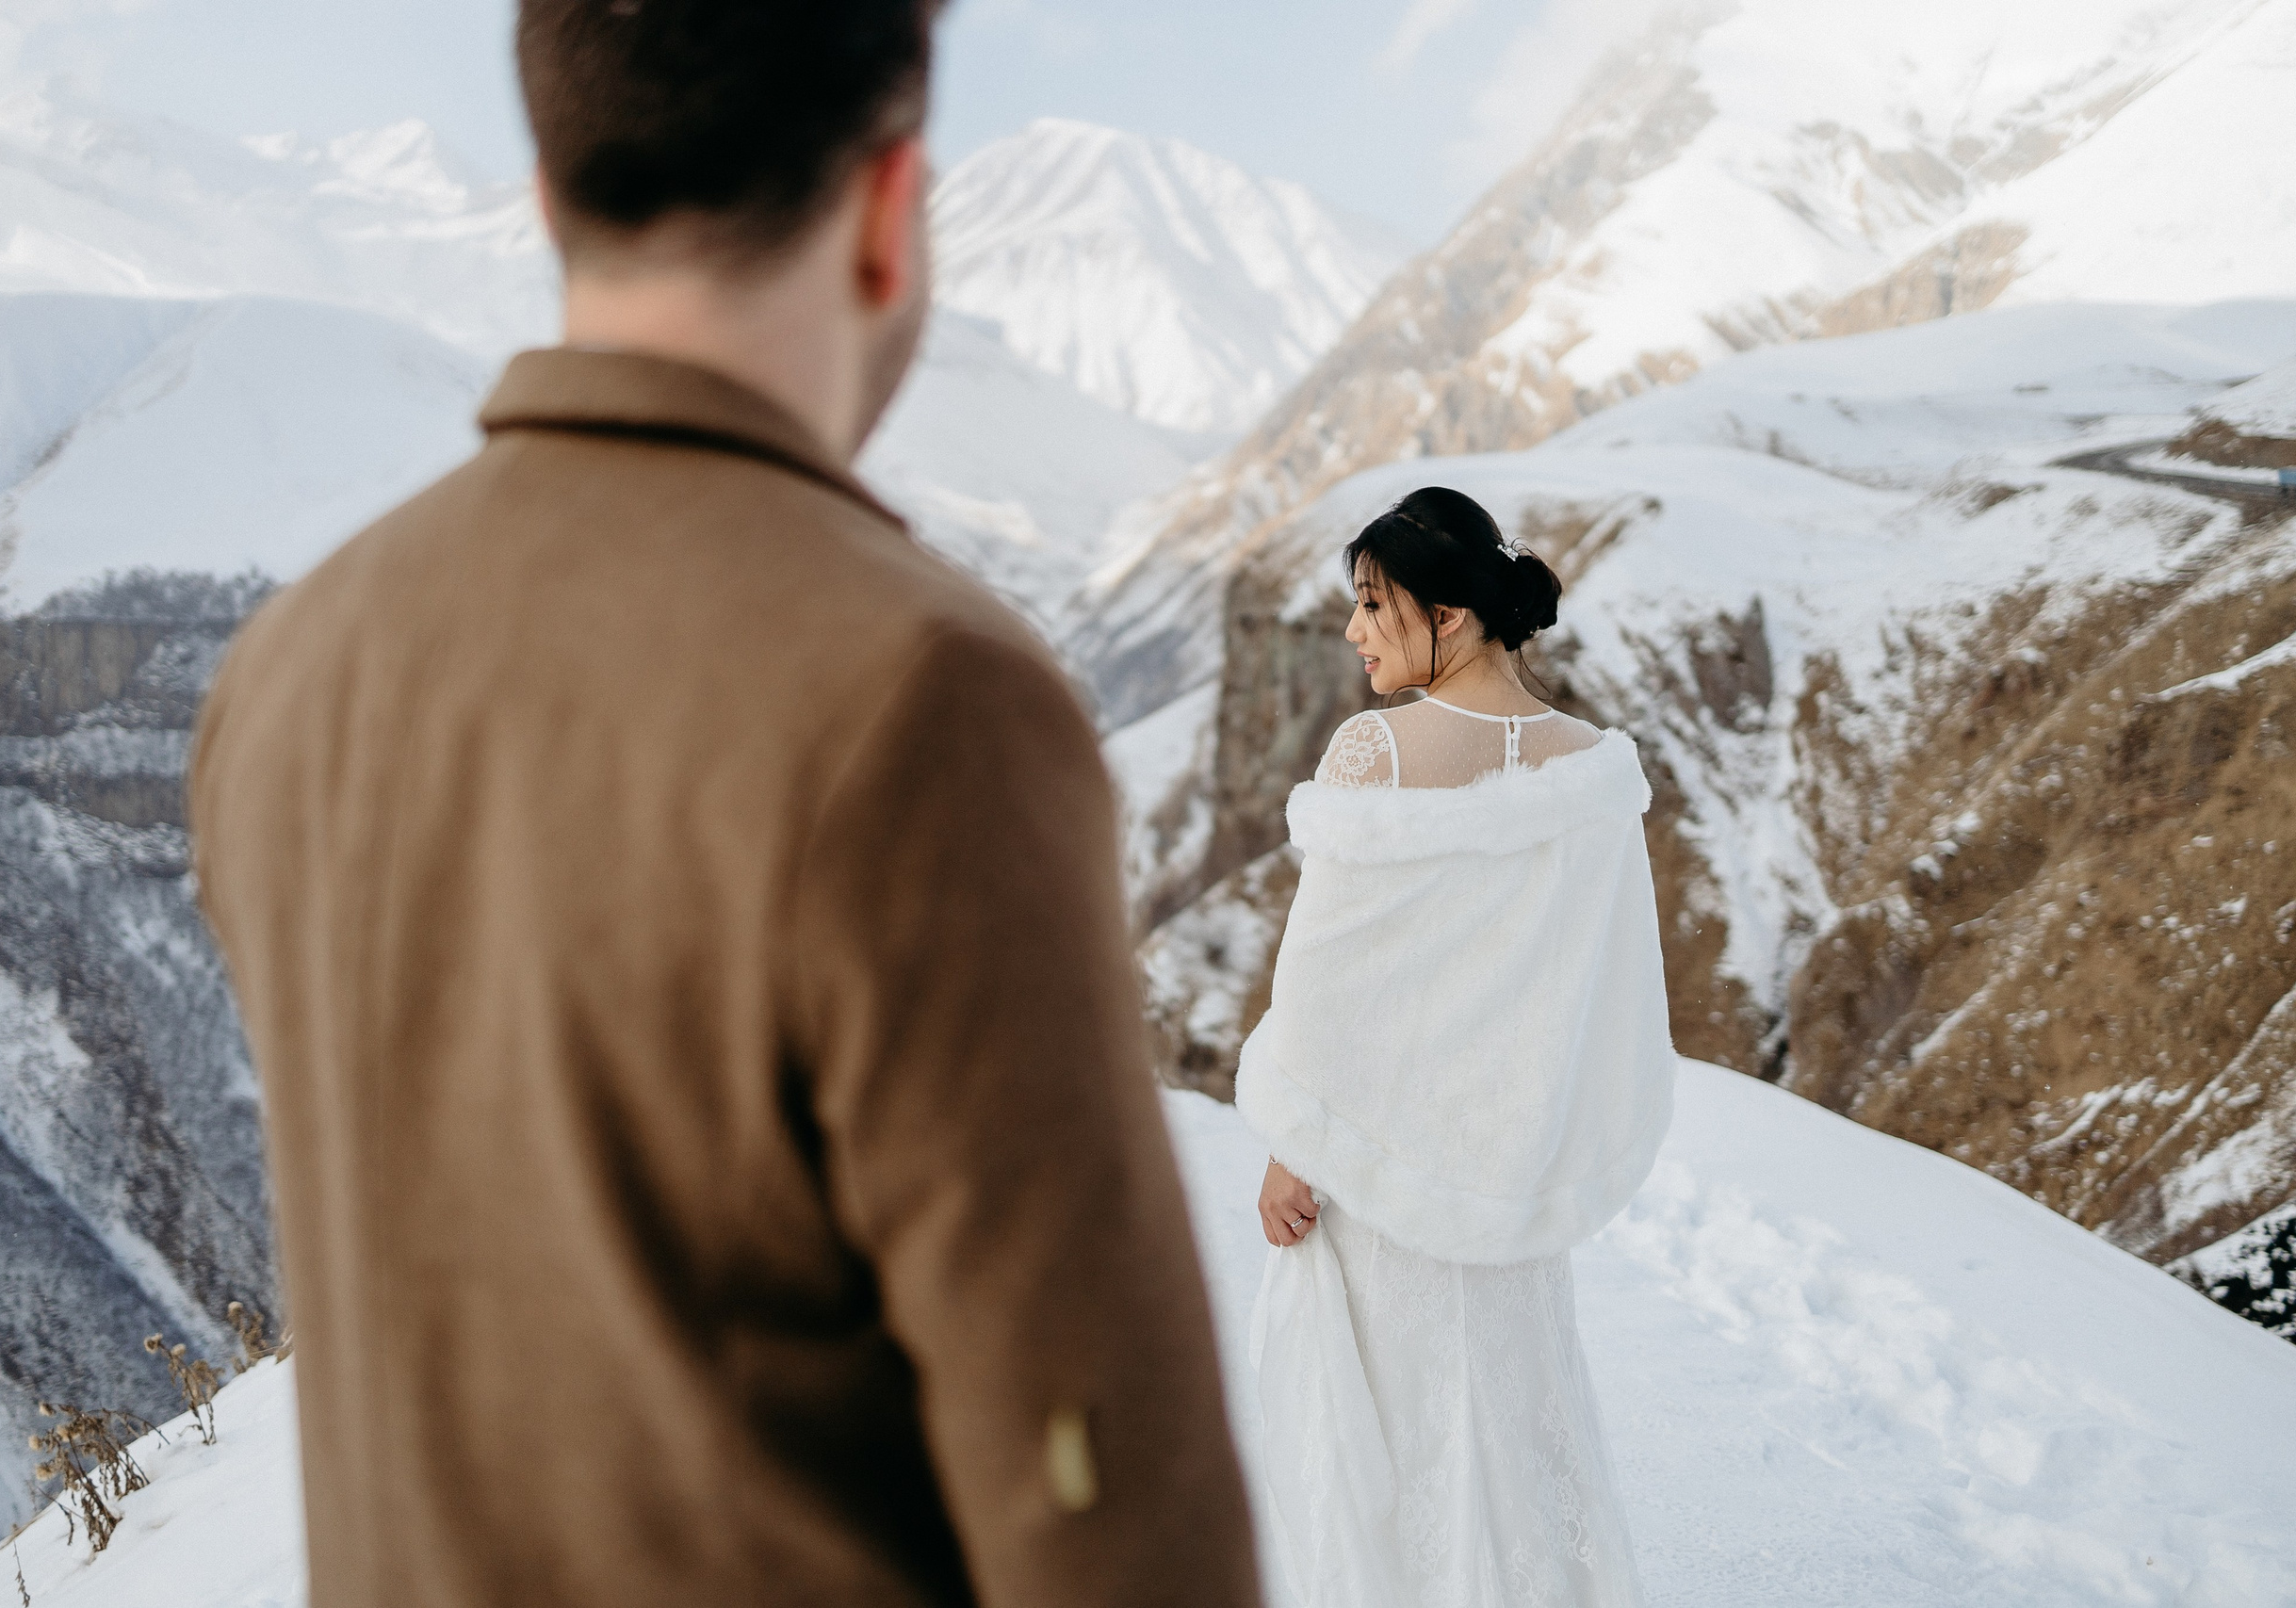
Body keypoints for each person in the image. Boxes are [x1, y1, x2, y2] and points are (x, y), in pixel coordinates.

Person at [187, 4, 1262, 1605]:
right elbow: (1105, 1499)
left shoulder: (287, 672)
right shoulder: (924, 697)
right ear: (893, 211)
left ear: (549, 191)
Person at [1238, 486, 1673, 1607]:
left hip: (1382, 1182)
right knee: (1511, 1439)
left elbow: (1329, 981)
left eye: (1375, 605)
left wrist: (1297, 1143)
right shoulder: (1590, 767)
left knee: (1391, 1450)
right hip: (1510, 1178)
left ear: (1451, 617)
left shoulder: (1376, 755)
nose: (1354, 631)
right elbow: (1601, 988)